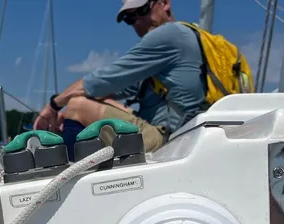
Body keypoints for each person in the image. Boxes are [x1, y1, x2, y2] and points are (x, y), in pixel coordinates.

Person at [32, 0, 207, 155]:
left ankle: (68, 180)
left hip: (170, 138)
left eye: (142, 10)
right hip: (184, 132)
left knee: (78, 106)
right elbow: (108, 90)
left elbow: (102, 81)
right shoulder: (188, 36)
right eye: (130, 18)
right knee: (80, 105)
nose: (137, 21)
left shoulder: (168, 35)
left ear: (165, 3)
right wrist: (69, 113)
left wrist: (54, 105)